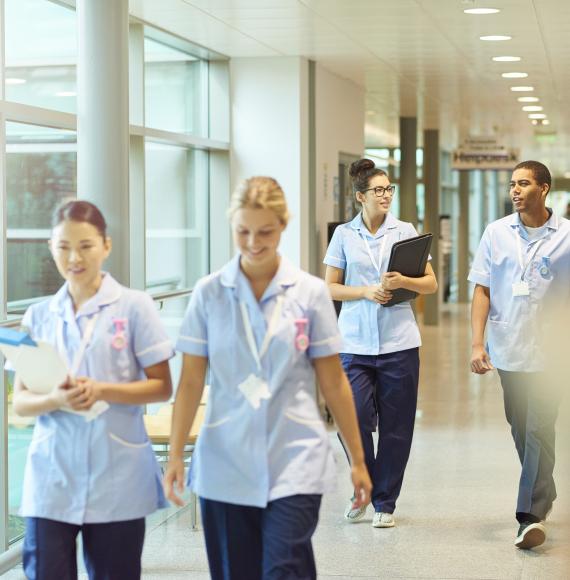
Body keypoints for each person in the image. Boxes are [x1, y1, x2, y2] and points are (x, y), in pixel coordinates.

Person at [163, 176, 371, 580]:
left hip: (294, 456)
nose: (254, 242)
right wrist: (174, 456)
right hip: (225, 461)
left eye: (265, 232)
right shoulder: (209, 293)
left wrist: (359, 461)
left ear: (283, 226)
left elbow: (333, 383)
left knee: (283, 568)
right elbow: (189, 382)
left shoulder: (309, 293)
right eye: (243, 231)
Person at [11, 200, 174, 579]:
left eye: (85, 245)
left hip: (115, 475)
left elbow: (161, 386)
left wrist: (101, 390)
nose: (74, 257)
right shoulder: (38, 315)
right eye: (63, 246)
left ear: (106, 246)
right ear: (51, 248)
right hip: (52, 477)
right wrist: (55, 399)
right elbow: (20, 402)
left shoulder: (135, 307)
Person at [323, 158, 438, 528]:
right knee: (352, 418)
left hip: (399, 343)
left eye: (389, 189)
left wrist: (402, 280)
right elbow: (329, 286)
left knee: (396, 426)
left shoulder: (405, 231)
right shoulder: (343, 235)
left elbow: (431, 284)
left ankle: (384, 502)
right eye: (379, 190)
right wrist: (365, 291)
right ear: (361, 196)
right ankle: (365, 487)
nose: (386, 195)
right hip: (353, 343)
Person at [469, 160, 570, 550]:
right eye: (513, 183)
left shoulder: (565, 236)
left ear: (543, 189)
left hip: (552, 354)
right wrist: (478, 343)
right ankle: (545, 487)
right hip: (508, 347)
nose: (515, 190)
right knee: (520, 425)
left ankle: (529, 516)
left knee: (539, 428)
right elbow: (482, 289)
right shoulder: (496, 233)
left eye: (524, 183)